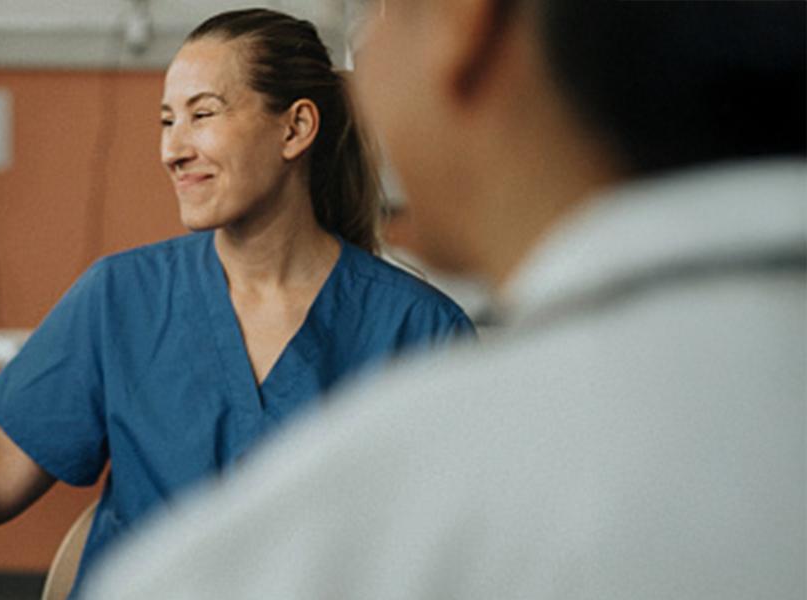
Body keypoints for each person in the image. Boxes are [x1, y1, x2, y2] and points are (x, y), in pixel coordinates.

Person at [82, 1, 806, 598]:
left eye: (378, 13)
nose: (174, 148)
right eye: (167, 120)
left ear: (465, 24)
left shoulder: (355, 535)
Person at [0, 8, 473, 593]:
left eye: (203, 115)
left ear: (295, 129)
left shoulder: (419, 330)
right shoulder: (122, 297)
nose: (174, 149)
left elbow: (453, 551)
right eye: (166, 120)